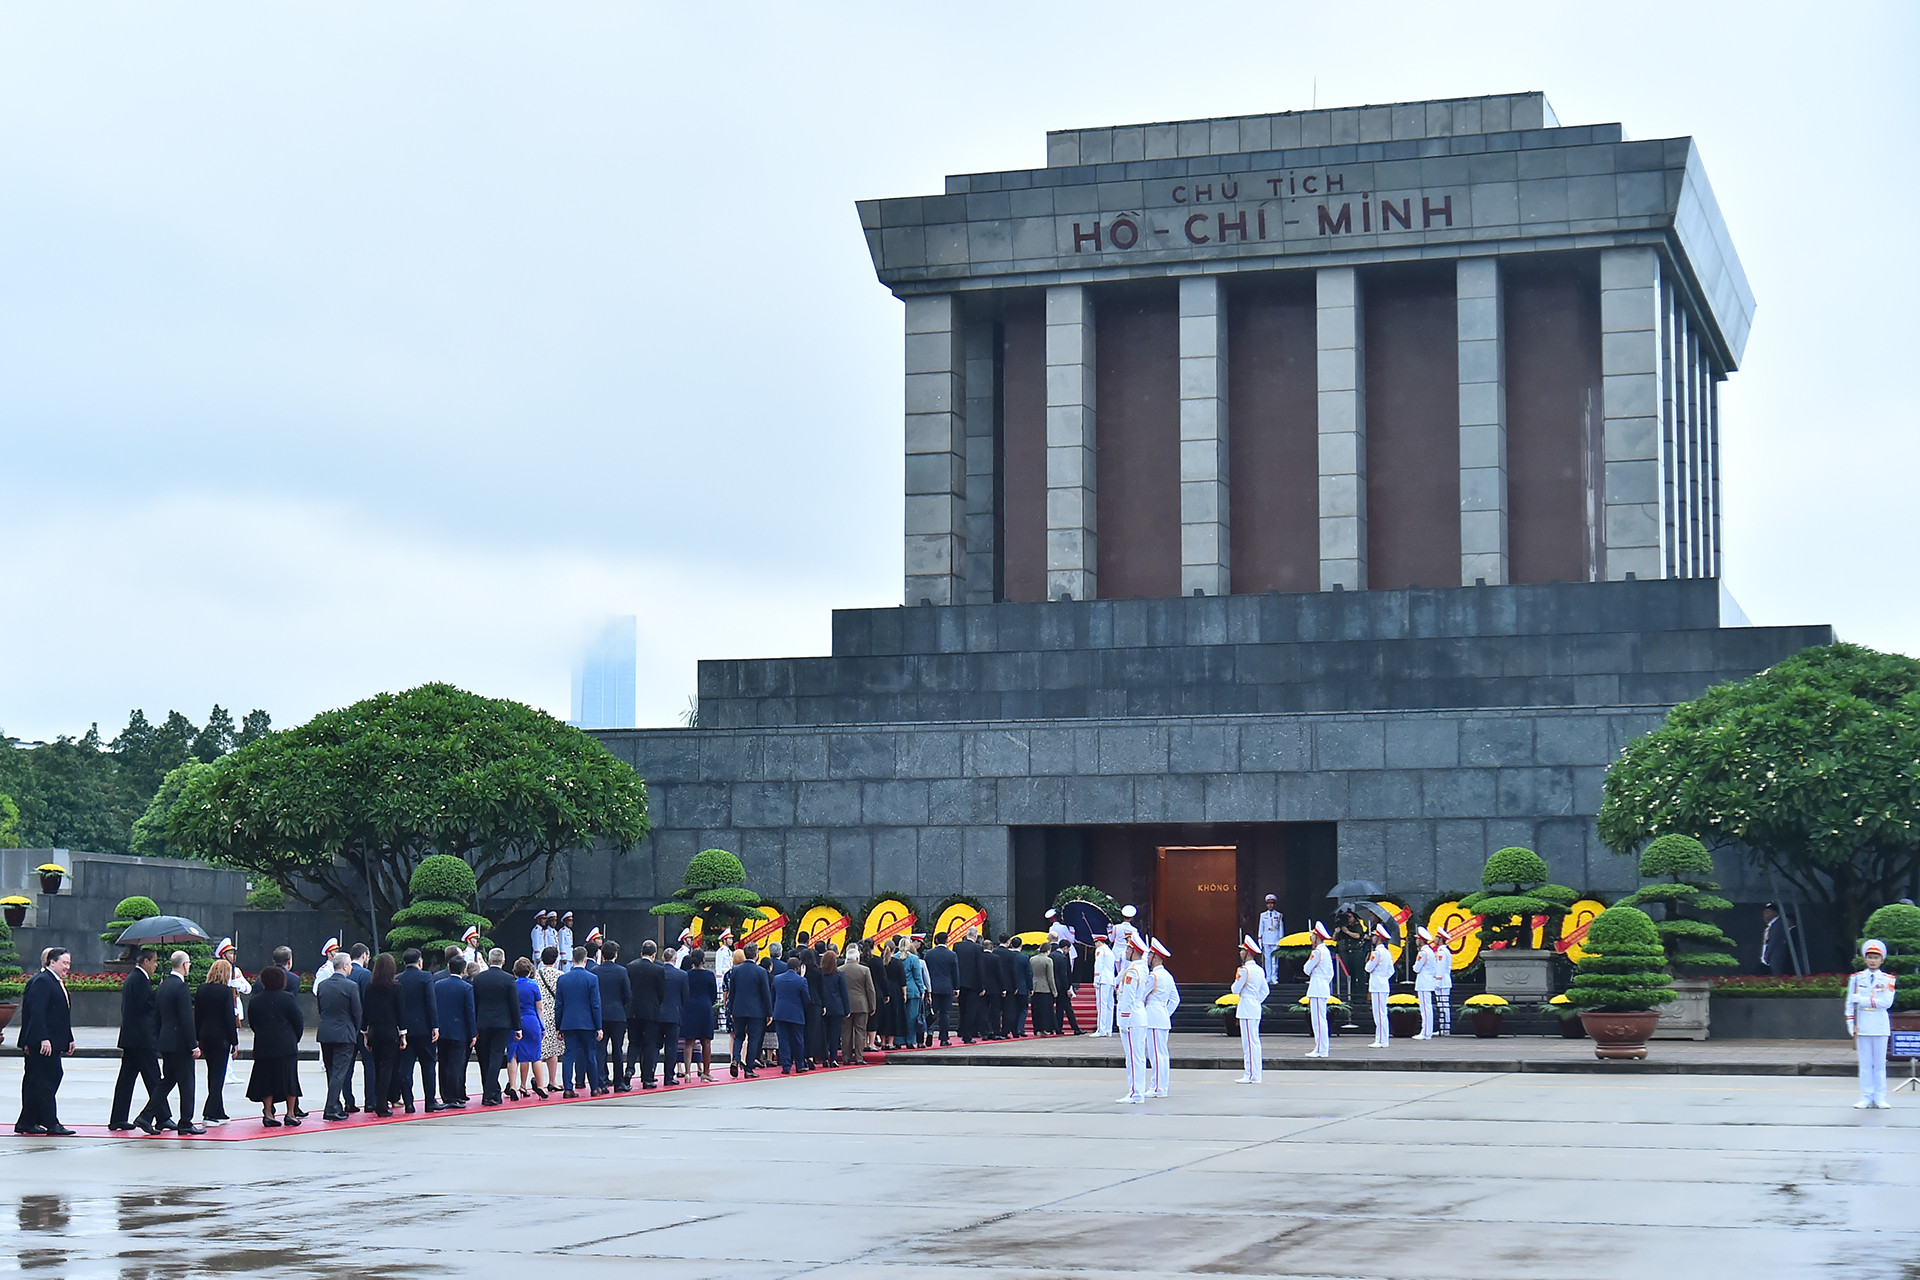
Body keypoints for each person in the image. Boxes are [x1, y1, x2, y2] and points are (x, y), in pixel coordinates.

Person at [15, 947, 76, 1136]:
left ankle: (27, 1121)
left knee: (40, 1081)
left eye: (69, 963)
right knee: (47, 1080)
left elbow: (60, 1014)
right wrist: (43, 1038)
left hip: (54, 1040)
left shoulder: (54, 981)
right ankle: (50, 1122)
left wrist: (69, 1038)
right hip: (42, 1042)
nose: (67, 967)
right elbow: (37, 1013)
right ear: (52, 962)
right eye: (64, 963)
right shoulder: (42, 981)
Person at [109, 948, 169, 1134]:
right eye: (154, 961)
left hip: (131, 1038)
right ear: (145, 961)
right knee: (153, 1078)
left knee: (126, 1080)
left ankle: (118, 1118)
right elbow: (146, 1007)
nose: (156, 965)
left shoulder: (133, 979)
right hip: (142, 1039)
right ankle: (163, 1117)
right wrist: (160, 992)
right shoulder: (140, 980)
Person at [246, 965, 305, 1126]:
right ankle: (291, 1113)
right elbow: (298, 1021)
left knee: (266, 1079)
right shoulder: (287, 998)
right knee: (290, 1079)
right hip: (286, 1045)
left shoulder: (256, 1000)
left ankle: (268, 1113)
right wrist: (294, 1038)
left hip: (264, 1045)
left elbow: (253, 1023)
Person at [154, 950, 203, 1134]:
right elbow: (186, 1019)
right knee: (187, 1084)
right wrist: (193, 1044)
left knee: (167, 1081)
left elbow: (157, 1016)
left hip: (166, 1041)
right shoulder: (181, 987)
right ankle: (186, 1122)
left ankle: (145, 1115)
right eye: (188, 963)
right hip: (180, 1044)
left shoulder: (164, 985)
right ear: (184, 965)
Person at [1846, 939, 1897, 1109]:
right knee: (1865, 1065)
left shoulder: (1888, 979)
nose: (1873, 961)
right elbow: (1849, 1004)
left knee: (1880, 1064)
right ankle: (1866, 1096)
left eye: (1876, 957)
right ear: (1865, 959)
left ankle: (1880, 1097)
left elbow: (1886, 1002)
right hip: (1862, 1024)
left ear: (1882, 960)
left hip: (1880, 1024)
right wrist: (1850, 1023)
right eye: (1870, 957)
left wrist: (1862, 999)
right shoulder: (1856, 978)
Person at [314, 951, 365, 1122]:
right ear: (344, 966)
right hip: (344, 1033)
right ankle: (330, 1108)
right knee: (339, 1072)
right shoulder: (351, 986)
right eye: (350, 964)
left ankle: (335, 1104)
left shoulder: (323, 985)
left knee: (331, 1071)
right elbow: (357, 1012)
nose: (351, 967)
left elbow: (321, 1009)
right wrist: (355, 1030)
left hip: (326, 1032)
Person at [194, 959, 242, 1124]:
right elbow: (229, 1018)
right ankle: (210, 1113)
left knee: (212, 1074)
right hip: (221, 1037)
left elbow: (197, 1016)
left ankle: (218, 1110)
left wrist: (197, 1037)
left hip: (205, 1037)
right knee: (218, 1076)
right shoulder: (226, 992)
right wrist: (234, 1041)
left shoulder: (202, 989)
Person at [471, 947, 520, 1106]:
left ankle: (490, 1091)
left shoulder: (479, 979)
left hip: (483, 1022)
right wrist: (517, 1027)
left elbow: (475, 1003)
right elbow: (514, 1004)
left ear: (489, 960)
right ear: (504, 961)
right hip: (502, 1023)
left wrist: (474, 1025)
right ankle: (491, 1093)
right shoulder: (508, 979)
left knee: (485, 1058)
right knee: (496, 1057)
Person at [396, 948, 442, 1113]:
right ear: (420, 962)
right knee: (428, 1065)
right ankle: (430, 1101)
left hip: (405, 1030)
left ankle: (409, 1102)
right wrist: (435, 1026)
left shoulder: (397, 979)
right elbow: (431, 1002)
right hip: (424, 1028)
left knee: (406, 1067)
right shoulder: (425, 977)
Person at [554, 946, 604, 1097]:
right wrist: (598, 1026)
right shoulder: (592, 978)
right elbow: (595, 1004)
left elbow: (559, 1005)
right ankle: (594, 1088)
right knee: (590, 1054)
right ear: (586, 959)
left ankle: (568, 1088)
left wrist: (559, 1026)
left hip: (568, 1022)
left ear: (572, 959)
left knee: (569, 1055)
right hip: (587, 1023)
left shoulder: (563, 979)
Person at [361, 953, 404, 1117]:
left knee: (378, 1066)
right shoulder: (396, 987)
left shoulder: (370, 987)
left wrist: (365, 1032)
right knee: (387, 1067)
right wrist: (403, 1034)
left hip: (374, 1030)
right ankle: (382, 1103)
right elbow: (400, 1012)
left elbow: (366, 1011)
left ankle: (379, 1100)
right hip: (390, 1030)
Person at [434, 956, 477, 1107]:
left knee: (443, 1063)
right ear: (464, 970)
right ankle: (454, 1095)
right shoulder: (466, 987)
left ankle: (445, 1093)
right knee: (456, 1064)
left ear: (449, 968)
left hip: (442, 1030)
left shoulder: (438, 985)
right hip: (460, 1031)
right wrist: (473, 1033)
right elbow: (469, 1011)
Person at [1113, 934, 1150, 1103]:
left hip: (1132, 1016)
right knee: (1137, 1055)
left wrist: (1123, 1020)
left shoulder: (1133, 971)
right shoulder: (1140, 968)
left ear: (1134, 951)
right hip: (1138, 1014)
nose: (1126, 951)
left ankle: (1136, 1092)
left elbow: (1127, 997)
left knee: (1133, 1056)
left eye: (1128, 948)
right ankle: (1137, 1090)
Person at [625, 940, 666, 1089]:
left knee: (633, 1042)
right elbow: (662, 993)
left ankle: (629, 1070)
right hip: (651, 1012)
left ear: (641, 952)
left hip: (633, 1011)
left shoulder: (630, 967)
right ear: (654, 954)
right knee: (649, 1044)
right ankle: (647, 1078)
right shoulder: (658, 970)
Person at [725, 941, 770, 1078]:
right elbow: (765, 993)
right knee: (753, 1038)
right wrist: (769, 1012)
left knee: (739, 1036)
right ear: (756, 955)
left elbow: (732, 992)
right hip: (756, 1011)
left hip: (739, 1009)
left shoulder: (736, 971)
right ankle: (748, 1068)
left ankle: (735, 1059)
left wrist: (731, 1009)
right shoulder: (761, 971)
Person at [1141, 938, 1179, 1098]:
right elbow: (1175, 999)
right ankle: (1161, 1086)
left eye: (1150, 955)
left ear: (1155, 956)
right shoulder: (1168, 976)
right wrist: (1164, 1011)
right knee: (1162, 1053)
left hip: (1153, 1016)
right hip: (1162, 1015)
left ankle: (1157, 1087)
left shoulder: (1154, 976)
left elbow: (1141, 995)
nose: (1148, 958)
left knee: (1156, 1054)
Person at [1231, 935, 1269, 1083]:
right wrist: (1256, 1001)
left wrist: (1250, 999)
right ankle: (1254, 1073)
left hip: (1247, 1006)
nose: (1240, 953)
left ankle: (1251, 1074)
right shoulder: (1259, 970)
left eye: (1242, 950)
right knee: (1254, 1041)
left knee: (1249, 1042)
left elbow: (1235, 989)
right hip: (1254, 1005)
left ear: (1248, 952)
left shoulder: (1244, 970)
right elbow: (1265, 991)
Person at [594, 940, 630, 1091]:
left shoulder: (595, 971)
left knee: (600, 1050)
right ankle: (618, 1082)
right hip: (617, 1014)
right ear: (616, 954)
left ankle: (601, 1082)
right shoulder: (621, 971)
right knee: (617, 1049)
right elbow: (627, 994)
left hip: (600, 1015)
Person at [680, 948, 718, 1084]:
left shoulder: (686, 975)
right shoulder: (709, 975)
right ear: (703, 960)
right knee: (706, 1041)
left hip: (689, 1008)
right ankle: (706, 1072)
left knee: (689, 1042)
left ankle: (688, 1073)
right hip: (704, 1007)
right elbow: (714, 994)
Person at [771, 952, 809, 1074]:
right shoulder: (802, 981)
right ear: (798, 968)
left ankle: (786, 1066)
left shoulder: (777, 979)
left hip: (780, 1013)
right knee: (798, 1040)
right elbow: (807, 999)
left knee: (783, 1040)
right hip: (796, 1013)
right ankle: (799, 1065)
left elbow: (773, 996)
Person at [1303, 922, 1334, 1058]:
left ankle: (1321, 1048)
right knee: (1320, 1019)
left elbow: (1306, 968)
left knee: (1318, 1020)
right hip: (1322, 986)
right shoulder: (1326, 951)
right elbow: (1330, 973)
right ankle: (1321, 1047)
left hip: (1316, 986)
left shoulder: (1317, 952)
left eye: (1313, 936)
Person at [843, 942, 876, 1064]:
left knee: (846, 1032)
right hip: (862, 1005)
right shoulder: (865, 970)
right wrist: (872, 1005)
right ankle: (859, 1057)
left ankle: (846, 1058)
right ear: (857, 958)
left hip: (846, 1005)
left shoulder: (840, 970)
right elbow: (870, 989)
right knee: (860, 1031)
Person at [924, 932, 958, 1046]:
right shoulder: (952, 955)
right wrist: (956, 987)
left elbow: (926, 971)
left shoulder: (929, 954)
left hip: (933, 987)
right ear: (947, 940)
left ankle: (930, 1032)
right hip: (947, 987)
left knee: (932, 1012)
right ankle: (944, 1038)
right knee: (945, 1013)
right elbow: (955, 972)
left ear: (936, 940)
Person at [953, 928, 985, 1043]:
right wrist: (982, 986)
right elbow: (980, 967)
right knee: (971, 1010)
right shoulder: (978, 948)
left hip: (960, 983)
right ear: (975, 936)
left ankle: (961, 1030)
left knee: (962, 1008)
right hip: (973, 984)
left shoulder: (957, 946)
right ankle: (967, 1035)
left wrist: (955, 984)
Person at [1365, 925, 1395, 1049]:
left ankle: (1381, 1039)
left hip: (1377, 985)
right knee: (1382, 1012)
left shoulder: (1377, 953)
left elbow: (1368, 968)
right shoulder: (1387, 952)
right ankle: (1383, 1038)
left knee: (1379, 1013)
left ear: (1379, 938)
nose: (1372, 938)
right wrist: (1383, 977)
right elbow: (1391, 971)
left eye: (1374, 936)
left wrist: (1368, 961)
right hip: (1383, 983)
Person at [1412, 928, 1442, 1039]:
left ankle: (1425, 1032)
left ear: (1421, 940)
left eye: (1417, 939)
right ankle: (1427, 1031)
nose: (1416, 941)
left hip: (1424, 982)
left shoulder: (1423, 952)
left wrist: (1415, 966)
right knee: (1427, 1008)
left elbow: (1416, 968)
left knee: (1425, 1008)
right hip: (1428, 981)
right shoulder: (1429, 951)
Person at [821, 948, 849, 1065]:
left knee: (824, 1034)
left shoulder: (820, 974)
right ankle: (833, 1058)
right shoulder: (839, 975)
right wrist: (847, 1009)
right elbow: (844, 993)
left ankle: (824, 1058)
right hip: (837, 1007)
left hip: (824, 1007)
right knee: (835, 1034)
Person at [1051, 940, 1082, 1035]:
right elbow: (1064, 975)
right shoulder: (1063, 958)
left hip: (1053, 985)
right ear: (1065, 948)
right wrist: (1068, 988)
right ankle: (1075, 1028)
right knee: (1068, 1008)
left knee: (1059, 1009)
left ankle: (1058, 1028)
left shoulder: (1051, 956)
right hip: (1062, 987)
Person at [1029, 940, 1056, 1037]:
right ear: (1048, 950)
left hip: (1035, 986)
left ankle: (1037, 1028)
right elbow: (1050, 977)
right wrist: (1054, 990)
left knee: (1036, 1010)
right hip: (1045, 988)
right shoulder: (1048, 960)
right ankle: (1045, 1028)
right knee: (1045, 1010)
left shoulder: (1032, 959)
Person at [1258, 895, 1286, 984]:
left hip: (1275, 938)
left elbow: (1281, 928)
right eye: (1268, 903)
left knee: (1274, 959)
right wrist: (1260, 939)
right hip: (1266, 938)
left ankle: (1274, 976)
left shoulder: (1278, 915)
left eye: (1272, 903)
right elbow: (1261, 928)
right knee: (1267, 959)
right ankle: (1268, 976)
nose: (1270, 905)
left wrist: (1281, 939)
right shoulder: (1263, 915)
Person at [1093, 936, 1117, 1036]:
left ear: (1099, 942)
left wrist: (1096, 980)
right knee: (1109, 1005)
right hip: (1110, 979)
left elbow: (1098, 965)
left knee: (1101, 1005)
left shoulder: (1100, 950)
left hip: (1103, 979)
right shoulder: (1110, 951)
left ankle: (1101, 1029)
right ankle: (1108, 1029)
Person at [1761, 903, 1791, 975]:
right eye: (1764, 913)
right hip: (1770, 957)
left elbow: (1773, 942)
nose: (1765, 915)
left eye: (1767, 913)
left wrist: (1767, 954)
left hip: (1776, 956)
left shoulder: (1778, 925)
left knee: (1777, 976)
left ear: (1775, 913)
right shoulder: (1771, 925)